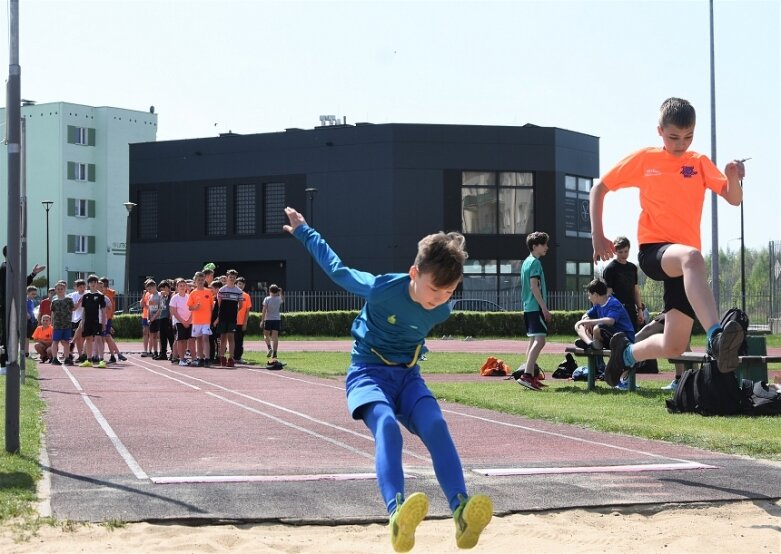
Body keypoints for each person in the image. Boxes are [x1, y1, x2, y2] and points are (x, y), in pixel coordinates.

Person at [283, 206, 492, 553]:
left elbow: (415, 338)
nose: (438, 300)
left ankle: (462, 513)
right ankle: (397, 517)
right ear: (414, 273)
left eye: (449, 293)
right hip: (368, 372)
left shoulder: (442, 309)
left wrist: (418, 357)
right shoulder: (382, 289)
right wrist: (305, 232)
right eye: (434, 291)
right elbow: (338, 270)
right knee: (387, 426)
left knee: (437, 424)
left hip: (408, 378)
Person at [590, 97, 746, 387]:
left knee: (675, 344)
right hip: (655, 251)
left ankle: (625, 356)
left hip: (686, 269)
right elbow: (600, 188)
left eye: (688, 137)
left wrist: (732, 176)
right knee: (693, 257)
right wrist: (597, 234)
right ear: (659, 131)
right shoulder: (646, 159)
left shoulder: (697, 162)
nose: (681, 143)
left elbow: (733, 198)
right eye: (674, 137)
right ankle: (716, 337)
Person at [574, 279, 636, 390]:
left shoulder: (613, 303)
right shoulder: (598, 305)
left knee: (597, 328)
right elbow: (586, 315)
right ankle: (590, 343)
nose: (589, 298)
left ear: (596, 295)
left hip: (624, 338)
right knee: (579, 325)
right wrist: (586, 318)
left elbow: (610, 321)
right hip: (610, 338)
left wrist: (589, 322)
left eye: (589, 295)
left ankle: (596, 354)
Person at [517, 231, 551, 391]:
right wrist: (544, 308)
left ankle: (529, 374)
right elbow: (533, 286)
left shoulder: (526, 262)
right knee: (540, 341)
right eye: (544, 244)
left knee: (533, 341)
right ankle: (527, 376)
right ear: (535, 246)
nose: (547, 247)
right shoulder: (535, 263)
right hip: (535, 306)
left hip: (527, 307)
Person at [0, 245, 45, 367]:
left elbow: (21, 285)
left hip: (10, 305)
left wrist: (33, 274)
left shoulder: (10, 268)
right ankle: (4, 363)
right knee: (7, 334)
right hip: (7, 305)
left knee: (12, 333)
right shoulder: (5, 268)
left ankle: (7, 361)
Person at [602, 236, 644, 331]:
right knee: (618, 339)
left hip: (631, 310)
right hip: (617, 310)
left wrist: (640, 310)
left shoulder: (633, 268)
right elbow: (608, 293)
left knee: (633, 337)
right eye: (620, 252)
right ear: (615, 251)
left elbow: (635, 290)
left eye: (626, 251)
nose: (624, 254)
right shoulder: (610, 269)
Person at [215, 269, 243, 368]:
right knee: (223, 338)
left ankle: (231, 358)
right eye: (230, 277)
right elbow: (219, 304)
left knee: (231, 337)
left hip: (232, 318)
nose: (232, 279)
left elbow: (241, 305)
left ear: (235, 279)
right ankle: (222, 357)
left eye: (234, 277)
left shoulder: (239, 291)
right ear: (227, 277)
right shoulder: (222, 290)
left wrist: (234, 312)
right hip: (223, 317)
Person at [78, 275, 107, 368]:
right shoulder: (85, 296)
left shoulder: (100, 296)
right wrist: (82, 322)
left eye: (95, 282)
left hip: (97, 321)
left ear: (97, 283)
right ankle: (89, 360)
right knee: (88, 339)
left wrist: (103, 323)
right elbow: (83, 310)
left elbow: (103, 310)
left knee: (98, 339)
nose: (93, 284)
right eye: (91, 282)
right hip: (87, 321)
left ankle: (101, 360)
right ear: (88, 284)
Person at [187, 271, 214, 367]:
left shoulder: (208, 292)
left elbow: (212, 306)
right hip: (196, 320)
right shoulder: (193, 293)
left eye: (202, 280)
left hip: (206, 320)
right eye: (199, 280)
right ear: (195, 281)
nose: (200, 281)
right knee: (198, 339)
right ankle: (200, 358)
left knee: (205, 338)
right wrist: (195, 308)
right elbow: (190, 307)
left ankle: (207, 358)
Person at [49, 281, 77, 365]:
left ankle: (67, 357)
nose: (60, 290)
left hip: (67, 323)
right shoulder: (54, 300)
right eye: (58, 289)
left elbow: (73, 309)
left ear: (65, 289)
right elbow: (52, 312)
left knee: (66, 342)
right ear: (55, 290)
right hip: (57, 324)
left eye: (62, 289)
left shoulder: (69, 299)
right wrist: (52, 322)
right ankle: (54, 358)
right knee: (55, 341)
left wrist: (79, 303)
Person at [169, 278, 193, 366]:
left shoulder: (189, 296)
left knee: (186, 340)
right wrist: (183, 321)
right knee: (180, 340)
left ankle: (184, 358)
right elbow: (174, 312)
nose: (182, 287)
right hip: (179, 322)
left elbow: (192, 310)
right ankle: (181, 359)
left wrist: (189, 320)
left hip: (189, 322)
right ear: (177, 287)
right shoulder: (175, 298)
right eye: (180, 286)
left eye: (184, 285)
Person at [261, 284, 284, 361]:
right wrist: (280, 292)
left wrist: (262, 320)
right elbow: (282, 299)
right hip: (277, 319)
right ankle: (275, 353)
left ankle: (269, 347)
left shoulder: (267, 299)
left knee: (265, 335)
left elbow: (264, 310)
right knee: (275, 337)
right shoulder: (279, 299)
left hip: (268, 319)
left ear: (269, 291)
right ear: (277, 291)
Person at [234, 276, 252, 363]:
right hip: (232, 322)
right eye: (239, 284)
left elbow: (247, 311)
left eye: (242, 284)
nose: (241, 286)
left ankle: (238, 357)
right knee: (232, 340)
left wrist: (245, 323)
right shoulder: (232, 294)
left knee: (239, 341)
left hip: (241, 322)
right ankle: (231, 357)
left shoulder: (246, 296)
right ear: (236, 284)